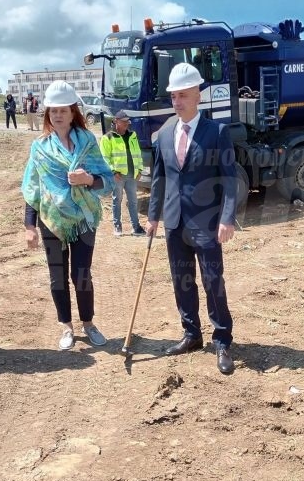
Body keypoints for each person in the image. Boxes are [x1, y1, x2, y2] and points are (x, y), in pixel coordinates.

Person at [146, 63, 238, 375]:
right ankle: (191, 334)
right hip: (174, 223)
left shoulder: (217, 133)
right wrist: (152, 216)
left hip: (207, 224)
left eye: (183, 95)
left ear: (198, 95)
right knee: (181, 281)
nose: (177, 101)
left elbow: (229, 180)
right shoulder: (165, 133)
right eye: (174, 95)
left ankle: (222, 340)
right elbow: (159, 178)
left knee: (213, 281)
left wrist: (227, 218)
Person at [22, 80, 114, 350]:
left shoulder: (88, 142)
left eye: (64, 109)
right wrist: (29, 226)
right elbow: (33, 189)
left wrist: (88, 179)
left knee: (82, 274)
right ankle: (66, 326)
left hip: (84, 218)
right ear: (48, 114)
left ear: (74, 112)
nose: (58, 115)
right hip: (51, 220)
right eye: (54, 110)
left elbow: (106, 179)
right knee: (57, 275)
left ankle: (88, 323)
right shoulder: (40, 148)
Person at [99, 109, 145, 237]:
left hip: (132, 175)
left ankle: (136, 227)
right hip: (118, 176)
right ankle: (117, 226)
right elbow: (104, 158)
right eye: (124, 121)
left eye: (128, 121)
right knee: (117, 200)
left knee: (133, 201)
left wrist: (140, 169)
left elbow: (138, 154)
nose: (127, 123)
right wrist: (113, 171)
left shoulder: (132, 135)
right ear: (116, 121)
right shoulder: (107, 138)